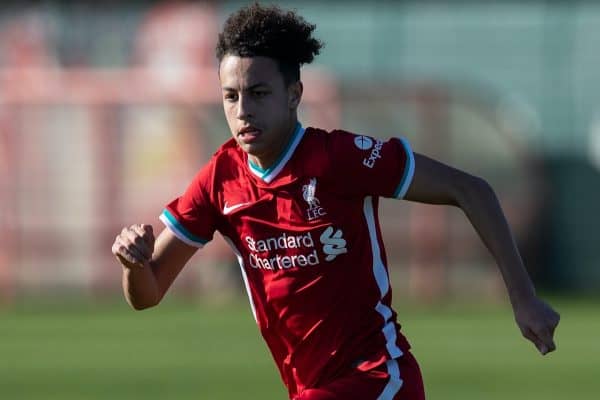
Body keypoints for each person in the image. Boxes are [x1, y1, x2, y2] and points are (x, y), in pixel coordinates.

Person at [111, 4, 560, 400]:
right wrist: (134, 265)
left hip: (379, 379)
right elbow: (147, 294)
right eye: (231, 96)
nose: (243, 109)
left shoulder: (339, 159)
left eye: (259, 93)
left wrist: (524, 299)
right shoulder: (220, 180)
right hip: (312, 389)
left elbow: (472, 189)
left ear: (293, 95)